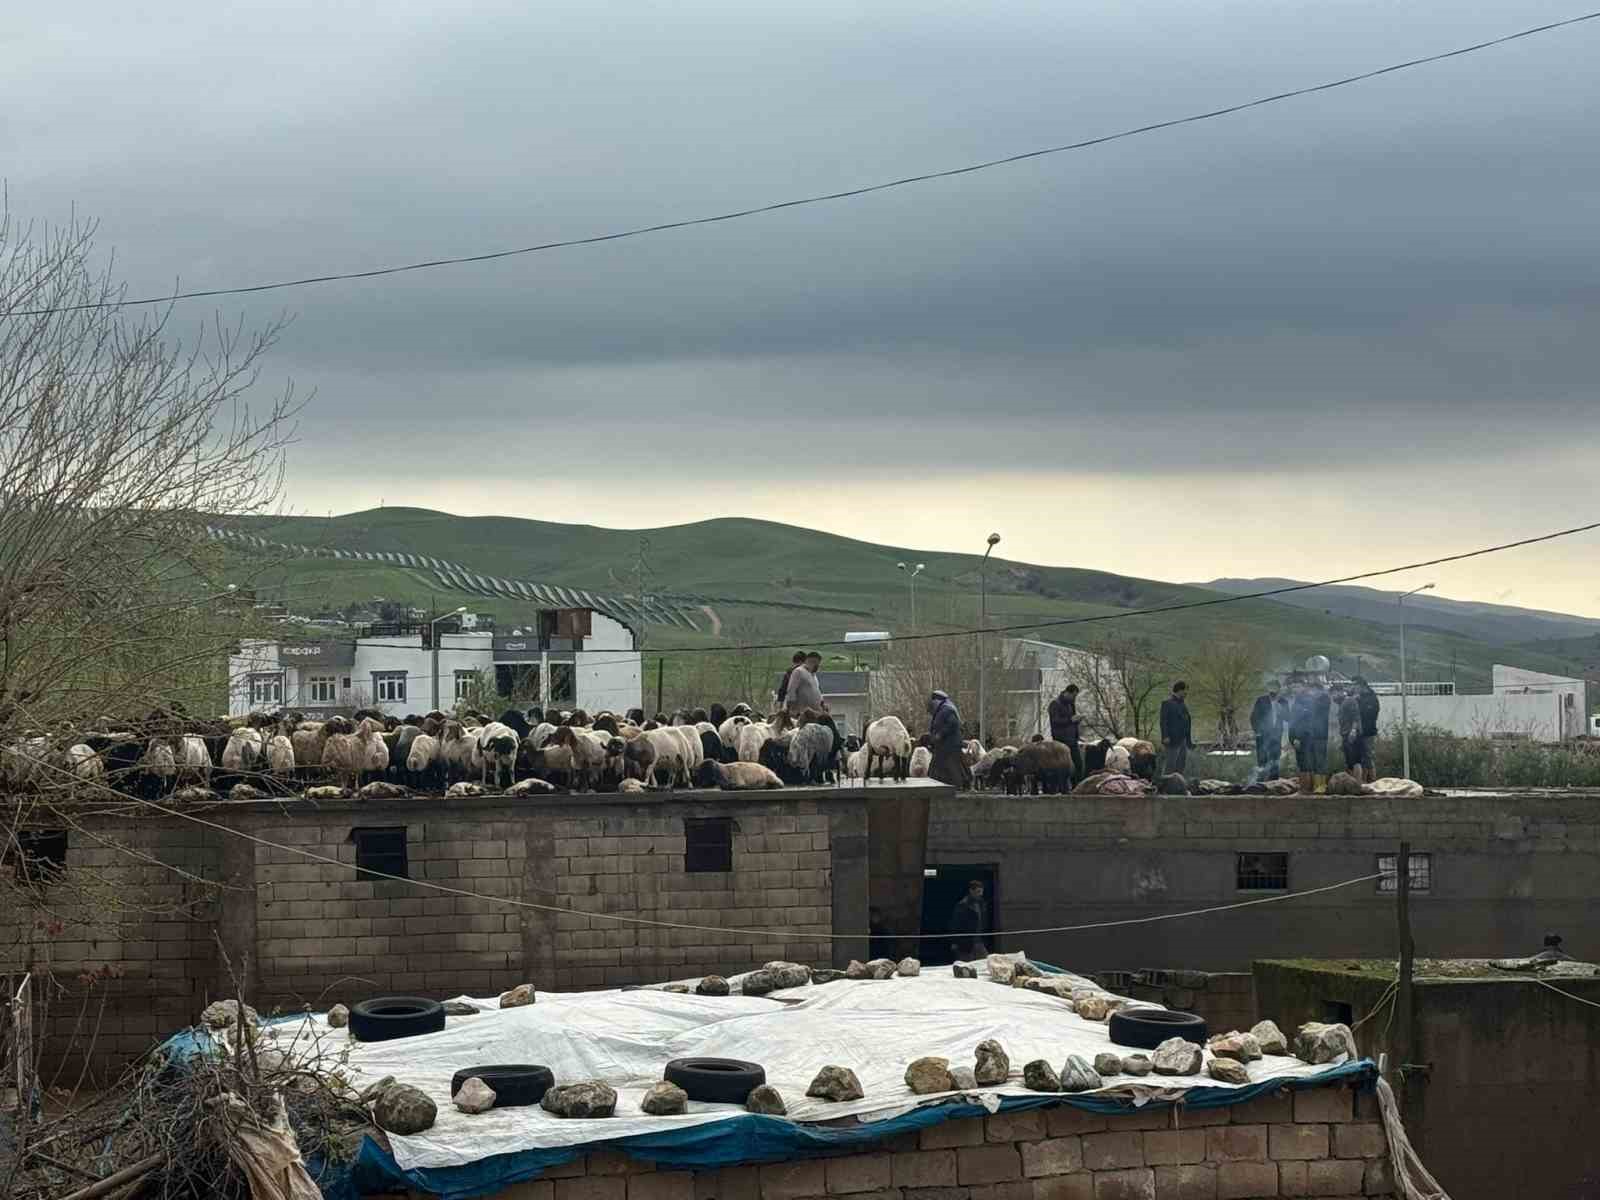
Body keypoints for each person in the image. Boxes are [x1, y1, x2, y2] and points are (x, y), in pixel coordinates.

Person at [926, 689, 971, 787]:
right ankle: (936, 785)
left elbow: (953, 723)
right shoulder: (941, 710)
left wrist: (940, 734)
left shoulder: (947, 709)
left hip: (949, 745)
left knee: (951, 767)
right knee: (945, 767)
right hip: (944, 745)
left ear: (937, 700)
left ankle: (957, 786)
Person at [1048, 684, 1085, 785]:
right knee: (1063, 766)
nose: (1074, 698)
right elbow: (1055, 721)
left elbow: (1072, 721)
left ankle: (1076, 787)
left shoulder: (1071, 704)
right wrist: (1071, 720)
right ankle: (1062, 788)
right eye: (1073, 696)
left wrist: (1077, 722)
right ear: (1067, 693)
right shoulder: (1055, 704)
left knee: (1079, 764)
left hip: (1072, 740)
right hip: (1061, 741)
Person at [1159, 681, 1194, 775]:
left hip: (1183, 740)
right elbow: (1163, 721)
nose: (1186, 693)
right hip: (1172, 740)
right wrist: (1165, 736)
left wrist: (1188, 741)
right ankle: (1165, 786)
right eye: (1185, 691)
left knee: (1181, 766)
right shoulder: (1167, 703)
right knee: (1170, 766)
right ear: (1179, 690)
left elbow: (1187, 722)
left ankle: (1177, 786)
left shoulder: (1183, 705)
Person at [949, 879, 988, 961]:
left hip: (979, 940)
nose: (980, 894)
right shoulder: (962, 905)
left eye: (981, 892)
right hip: (966, 942)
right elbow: (955, 924)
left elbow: (983, 920)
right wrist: (954, 942)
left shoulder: (982, 903)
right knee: (966, 965)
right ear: (971, 891)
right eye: (978, 891)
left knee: (985, 962)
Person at [1249, 687, 1283, 781]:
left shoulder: (1283, 701)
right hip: (1262, 734)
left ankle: (1274, 781)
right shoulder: (1261, 700)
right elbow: (1253, 717)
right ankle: (1261, 781)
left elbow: (1288, 718)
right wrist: (1257, 731)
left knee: (1275, 757)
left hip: (1276, 735)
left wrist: (1282, 710)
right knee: (1262, 757)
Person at [1355, 676, 1381, 782]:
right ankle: (1364, 781)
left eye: (1355, 685)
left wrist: (1359, 702)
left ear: (1361, 685)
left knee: (1368, 757)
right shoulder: (1360, 697)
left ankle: (1372, 781)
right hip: (1360, 732)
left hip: (1368, 731)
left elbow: (1369, 713)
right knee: (1362, 758)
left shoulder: (1371, 698)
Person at [1337, 686, 1364, 783]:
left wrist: (1353, 730)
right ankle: (1352, 783)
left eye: (1335, 693)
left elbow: (1355, 717)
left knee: (1355, 761)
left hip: (1352, 735)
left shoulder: (1350, 701)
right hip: (1346, 734)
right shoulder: (1344, 702)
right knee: (1349, 761)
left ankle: (1357, 783)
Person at [785, 651, 825, 715]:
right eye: (817, 664)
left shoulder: (813, 675)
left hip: (814, 713)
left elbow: (817, 692)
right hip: (801, 713)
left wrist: (822, 704)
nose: (818, 666)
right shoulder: (799, 671)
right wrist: (792, 709)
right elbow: (791, 690)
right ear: (811, 661)